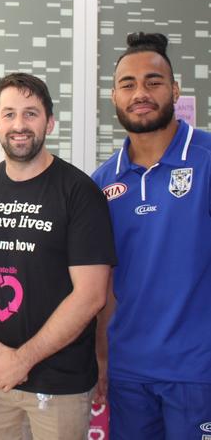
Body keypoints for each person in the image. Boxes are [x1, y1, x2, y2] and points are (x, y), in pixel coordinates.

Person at [0, 73, 116, 440]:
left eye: (31, 113)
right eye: (8, 114)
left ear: (49, 122)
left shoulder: (79, 193)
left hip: (60, 385)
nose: (19, 125)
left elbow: (91, 294)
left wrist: (21, 361)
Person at [92, 32, 211, 439]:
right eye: (128, 84)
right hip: (129, 374)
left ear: (175, 90)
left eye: (153, 82)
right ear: (114, 97)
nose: (140, 92)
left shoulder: (208, 160)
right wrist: (102, 358)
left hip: (198, 372)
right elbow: (102, 283)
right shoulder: (101, 182)